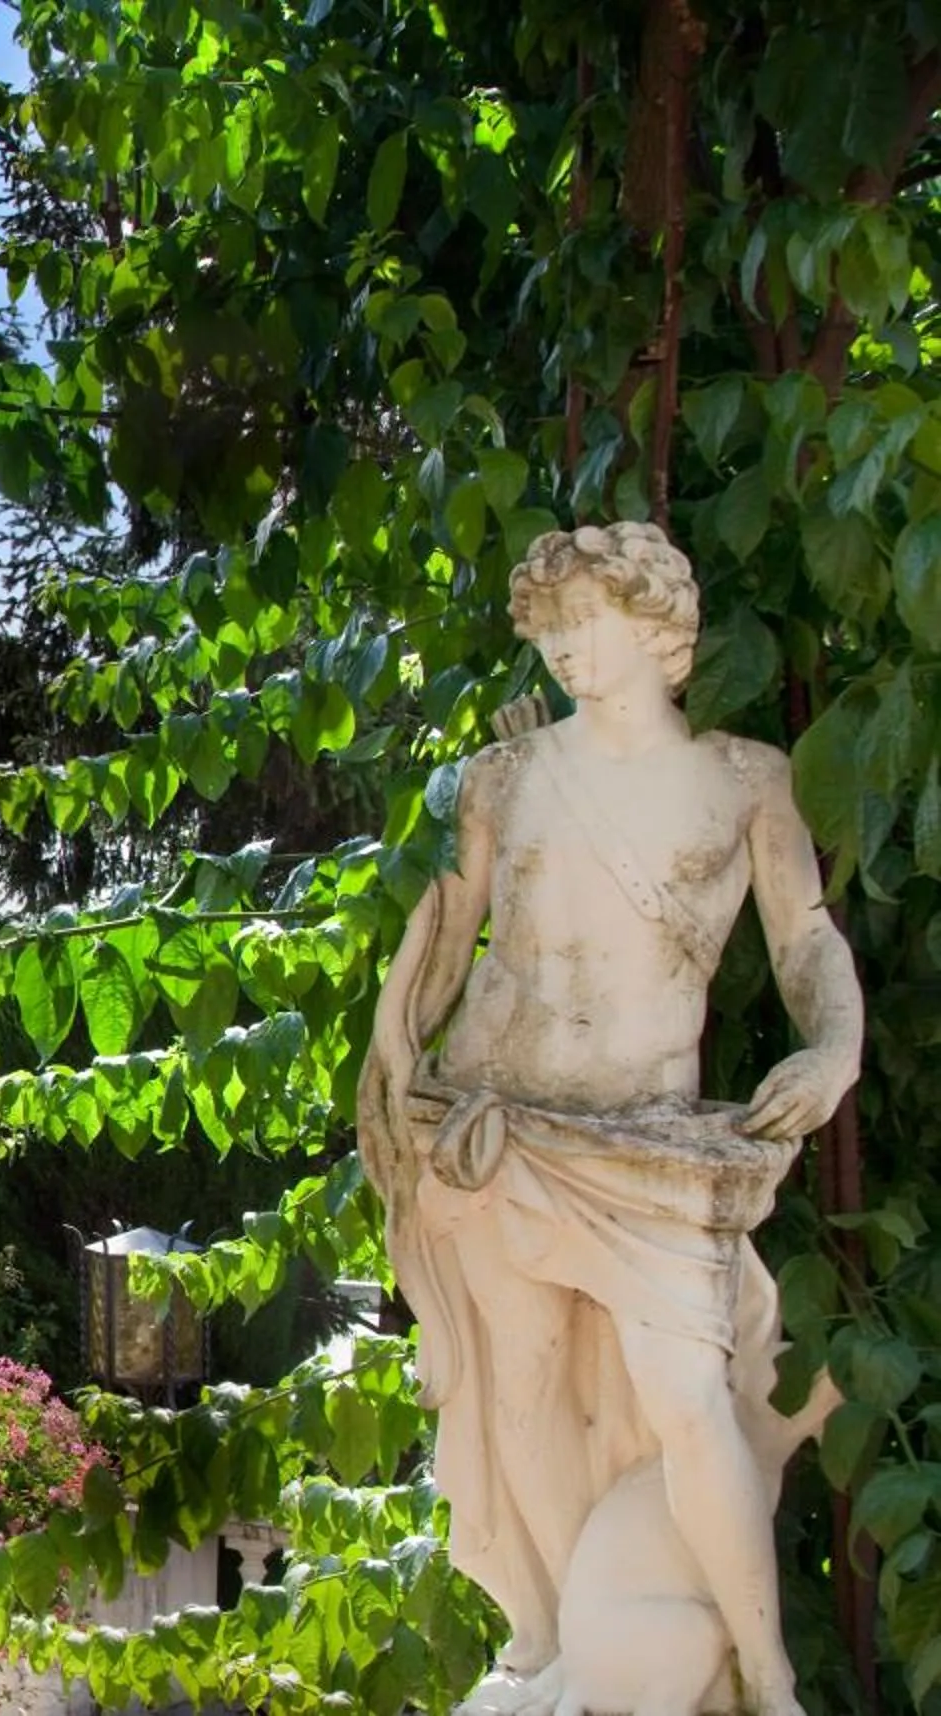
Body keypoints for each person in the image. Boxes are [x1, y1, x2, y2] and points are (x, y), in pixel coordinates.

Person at [356, 522, 862, 1716]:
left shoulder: (747, 782)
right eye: (553, 633)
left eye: (590, 625)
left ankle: (766, 1676)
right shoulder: (508, 778)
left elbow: (804, 942)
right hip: (497, 1123)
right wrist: (395, 1052)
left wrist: (834, 1048)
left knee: (691, 1404)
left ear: (659, 625)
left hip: (652, 1143)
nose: (570, 654)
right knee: (521, 1390)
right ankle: (554, 1636)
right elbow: (440, 943)